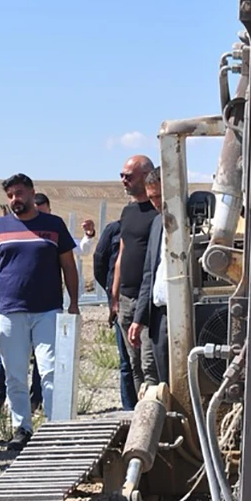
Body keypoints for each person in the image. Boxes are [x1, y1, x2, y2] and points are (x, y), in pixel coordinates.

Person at [0, 174, 80, 451]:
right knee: (15, 373)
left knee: (49, 370)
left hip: (48, 310)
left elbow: (69, 266)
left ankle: (55, 427)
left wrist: (74, 303)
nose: (14, 200)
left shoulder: (53, 225)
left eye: (19, 193)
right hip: (10, 311)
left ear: (32, 193)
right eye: (10, 195)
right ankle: (22, 428)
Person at [111, 155, 160, 395]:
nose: (123, 181)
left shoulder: (158, 213)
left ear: (145, 175)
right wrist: (114, 295)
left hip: (149, 300)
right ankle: (142, 415)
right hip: (126, 298)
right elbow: (122, 252)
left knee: (151, 364)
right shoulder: (128, 212)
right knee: (135, 364)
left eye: (128, 176)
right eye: (121, 176)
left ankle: (155, 417)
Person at [130, 168, 169, 387]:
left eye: (159, 197)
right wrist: (139, 318)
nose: (155, 203)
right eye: (151, 197)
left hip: (187, 313)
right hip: (159, 314)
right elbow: (149, 275)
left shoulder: (195, 220)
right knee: (163, 375)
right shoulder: (156, 224)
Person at [94, 216, 137, 410]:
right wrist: (112, 295)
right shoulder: (114, 230)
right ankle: (130, 410)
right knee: (126, 361)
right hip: (120, 302)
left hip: (145, 299)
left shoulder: (155, 224)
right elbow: (99, 262)